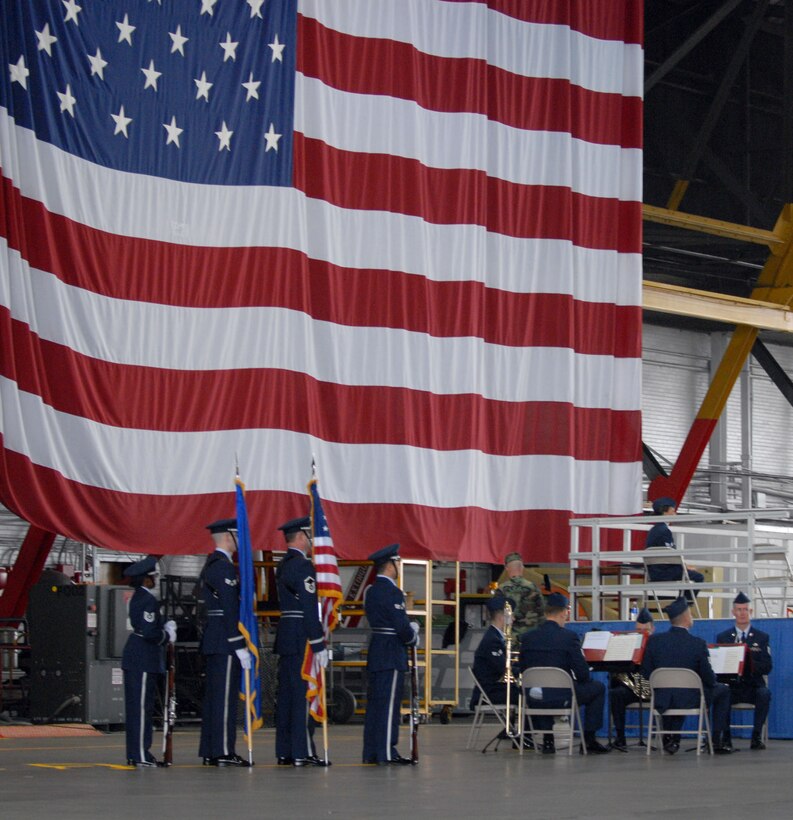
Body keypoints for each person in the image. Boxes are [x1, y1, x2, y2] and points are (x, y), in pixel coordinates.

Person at [519, 592, 610, 755]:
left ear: (546, 612)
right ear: (563, 613)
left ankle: (548, 740)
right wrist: (583, 678)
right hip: (562, 697)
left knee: (543, 689)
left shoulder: (527, 638)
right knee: (598, 688)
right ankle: (589, 740)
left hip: (534, 697)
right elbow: (582, 674)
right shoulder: (569, 637)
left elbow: (522, 668)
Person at [641, 596, 733, 754]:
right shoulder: (697, 644)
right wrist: (714, 681)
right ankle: (715, 740)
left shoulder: (654, 642)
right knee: (723, 690)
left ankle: (670, 737)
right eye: (690, 613)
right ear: (686, 618)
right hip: (689, 700)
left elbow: (646, 672)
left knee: (673, 692)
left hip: (661, 699)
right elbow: (708, 678)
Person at [273, 515, 329, 767]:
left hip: (286, 634)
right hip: (301, 637)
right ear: (301, 536)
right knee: (302, 695)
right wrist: (318, 642)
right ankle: (302, 750)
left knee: (286, 696)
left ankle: (285, 750)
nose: (311, 540)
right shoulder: (303, 566)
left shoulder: (283, 564)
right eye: (308, 535)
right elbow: (308, 607)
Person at [198, 518, 253, 767]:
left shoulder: (212, 564)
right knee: (223, 699)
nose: (239, 540)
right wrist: (238, 643)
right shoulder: (224, 567)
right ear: (229, 537)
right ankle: (222, 751)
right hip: (225, 639)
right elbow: (230, 608)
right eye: (237, 535)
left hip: (215, 637)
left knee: (215, 698)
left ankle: (211, 749)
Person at [362, 543, 419, 765]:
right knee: (388, 706)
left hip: (377, 649)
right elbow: (400, 626)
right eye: (397, 562)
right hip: (391, 651)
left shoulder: (371, 591)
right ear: (390, 565)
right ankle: (386, 751)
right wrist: (413, 636)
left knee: (375, 705)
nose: (399, 565)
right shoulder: (392, 592)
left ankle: (372, 751)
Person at [122, 555, 176, 767]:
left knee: (140, 709)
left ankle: (137, 753)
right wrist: (167, 635)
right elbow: (148, 631)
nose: (155, 580)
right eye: (153, 576)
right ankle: (140, 755)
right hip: (142, 659)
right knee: (140, 710)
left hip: (141, 658)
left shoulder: (141, 598)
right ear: (145, 579)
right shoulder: (147, 600)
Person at [715, 591, 772, 750]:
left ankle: (756, 737)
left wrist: (749, 663)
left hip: (753, 686)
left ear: (750, 612)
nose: (742, 613)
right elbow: (719, 666)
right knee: (721, 693)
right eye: (739, 610)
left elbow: (767, 666)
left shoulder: (761, 637)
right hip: (732, 687)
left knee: (765, 694)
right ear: (733, 612)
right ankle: (726, 738)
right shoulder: (724, 637)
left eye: (745, 609)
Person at [609, 607, 654, 752]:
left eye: (646, 630)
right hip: (633, 688)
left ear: (652, 629)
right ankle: (620, 738)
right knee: (616, 693)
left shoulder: (658, 645)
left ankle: (667, 738)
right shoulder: (629, 644)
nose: (642, 633)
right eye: (639, 630)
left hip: (651, 688)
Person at [645, 497, 704, 599]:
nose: (675, 514)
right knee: (698, 577)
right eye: (673, 511)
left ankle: (680, 603)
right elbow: (670, 555)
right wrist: (684, 567)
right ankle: (684, 604)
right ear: (665, 512)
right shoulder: (664, 531)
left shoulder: (654, 530)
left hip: (653, 571)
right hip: (663, 572)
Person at [470, 595, 510, 709]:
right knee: (528, 695)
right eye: (511, 616)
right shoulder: (493, 640)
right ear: (502, 617)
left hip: (493, 689)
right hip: (490, 692)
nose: (513, 619)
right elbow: (503, 667)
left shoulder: (495, 636)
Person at [498, 552, 545, 638]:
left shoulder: (502, 589)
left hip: (510, 637)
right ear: (522, 568)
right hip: (530, 636)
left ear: (507, 568)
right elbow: (542, 612)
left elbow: (496, 614)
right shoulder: (532, 587)